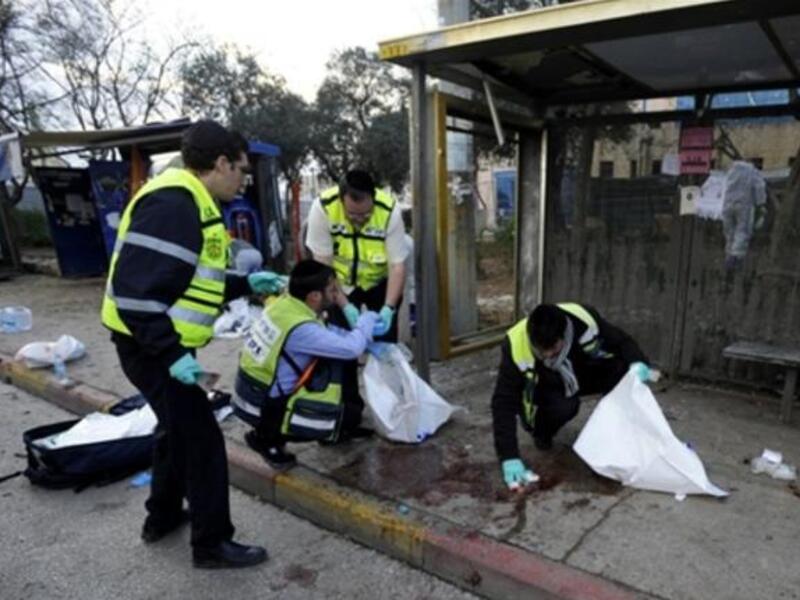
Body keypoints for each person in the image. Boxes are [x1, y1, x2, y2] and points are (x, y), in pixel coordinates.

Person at [101, 120, 284, 569]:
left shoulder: (192, 201)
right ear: (220, 164)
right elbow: (136, 294)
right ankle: (211, 544)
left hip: (160, 344)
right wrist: (173, 357)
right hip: (153, 347)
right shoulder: (175, 204)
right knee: (202, 440)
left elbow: (189, 281)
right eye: (240, 170)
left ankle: (160, 516)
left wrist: (243, 283)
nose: (242, 181)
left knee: (174, 429)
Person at [491, 302, 660, 490]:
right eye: (541, 350)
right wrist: (509, 456)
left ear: (564, 336)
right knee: (565, 407)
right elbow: (502, 402)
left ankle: (618, 433)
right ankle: (542, 432)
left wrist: (637, 362)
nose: (547, 355)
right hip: (544, 385)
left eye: (553, 348)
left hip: (579, 371)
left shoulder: (583, 319)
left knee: (621, 369)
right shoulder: (515, 344)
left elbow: (621, 341)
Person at [233, 259, 379, 469]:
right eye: (332, 290)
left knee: (336, 359)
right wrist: (366, 321)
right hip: (268, 399)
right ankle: (267, 440)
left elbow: (326, 332)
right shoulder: (300, 328)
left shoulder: (286, 304)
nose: (336, 294)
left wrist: (353, 333)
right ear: (314, 296)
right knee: (339, 362)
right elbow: (350, 349)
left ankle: (338, 427)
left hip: (254, 383)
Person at [305, 170, 408, 440]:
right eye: (353, 215)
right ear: (341, 200)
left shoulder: (389, 210)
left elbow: (398, 266)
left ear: (373, 199)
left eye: (364, 214)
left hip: (378, 283)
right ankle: (347, 417)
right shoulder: (323, 209)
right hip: (338, 284)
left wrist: (388, 308)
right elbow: (323, 266)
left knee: (385, 347)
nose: (359, 220)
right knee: (342, 351)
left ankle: (392, 411)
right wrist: (344, 305)